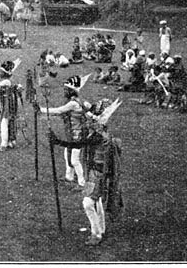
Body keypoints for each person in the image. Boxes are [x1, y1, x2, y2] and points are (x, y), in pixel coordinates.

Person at [50, 99, 123, 246]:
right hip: (97, 172)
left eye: (91, 120)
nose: (88, 122)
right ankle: (100, 229)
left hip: (96, 174)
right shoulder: (99, 132)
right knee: (96, 202)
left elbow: (78, 144)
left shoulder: (98, 136)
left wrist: (58, 141)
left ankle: (96, 233)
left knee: (88, 203)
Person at [38, 75, 92, 188]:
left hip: (77, 134)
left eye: (66, 89)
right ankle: (69, 177)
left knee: (74, 159)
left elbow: (59, 110)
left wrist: (41, 110)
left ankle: (82, 182)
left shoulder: (73, 103)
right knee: (67, 154)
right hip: (71, 133)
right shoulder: (75, 101)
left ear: (71, 91)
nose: (64, 91)